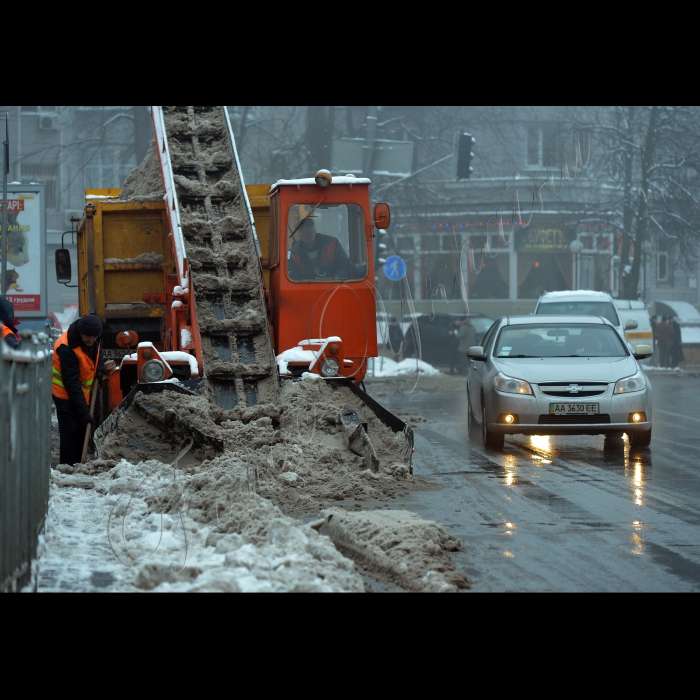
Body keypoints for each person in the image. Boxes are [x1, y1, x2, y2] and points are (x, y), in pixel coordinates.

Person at [51, 314, 115, 466]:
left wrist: (99, 369)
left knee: (81, 430)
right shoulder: (66, 348)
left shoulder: (95, 338)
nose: (91, 340)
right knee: (70, 432)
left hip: (82, 394)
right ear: (80, 333)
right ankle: (67, 467)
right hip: (64, 395)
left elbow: (99, 352)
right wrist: (84, 412)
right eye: (88, 337)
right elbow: (71, 382)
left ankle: (79, 464)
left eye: (94, 337)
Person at [288, 217, 354, 281]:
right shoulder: (292, 254)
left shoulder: (332, 243)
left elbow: (345, 264)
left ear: (315, 230)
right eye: (303, 231)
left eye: (310, 229)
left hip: (333, 287)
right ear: (298, 235)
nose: (307, 233)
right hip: (307, 289)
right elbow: (291, 275)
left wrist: (338, 277)